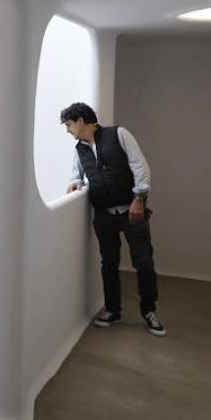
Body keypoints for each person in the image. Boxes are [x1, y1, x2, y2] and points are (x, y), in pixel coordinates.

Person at [61, 102, 166, 336]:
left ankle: (150, 311)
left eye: (68, 124)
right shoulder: (79, 149)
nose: (67, 130)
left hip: (132, 211)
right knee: (108, 264)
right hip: (103, 215)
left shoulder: (118, 134)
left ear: (81, 121)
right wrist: (75, 183)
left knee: (144, 263)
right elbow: (76, 175)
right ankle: (112, 310)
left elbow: (140, 166)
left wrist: (139, 199)